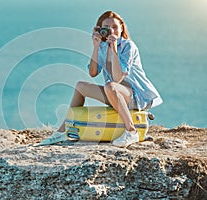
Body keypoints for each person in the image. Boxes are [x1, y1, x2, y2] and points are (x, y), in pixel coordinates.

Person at [40, 11, 163, 147]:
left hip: (137, 96)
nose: (112, 31)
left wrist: (114, 49)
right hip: (114, 94)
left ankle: (131, 131)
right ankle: (62, 131)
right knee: (81, 86)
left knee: (110, 85)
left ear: (122, 27)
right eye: (107, 27)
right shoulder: (103, 47)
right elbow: (93, 73)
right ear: (100, 29)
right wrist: (96, 46)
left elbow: (117, 78)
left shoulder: (128, 46)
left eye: (115, 27)